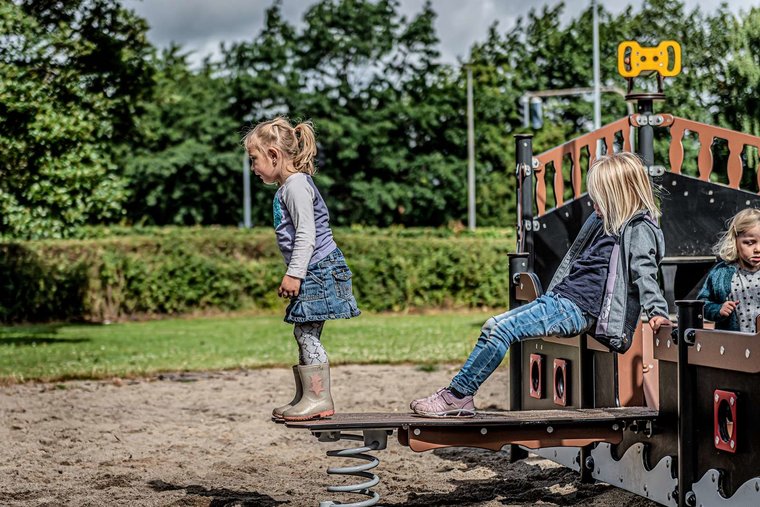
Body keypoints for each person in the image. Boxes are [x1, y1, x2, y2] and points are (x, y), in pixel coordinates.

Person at [410, 152, 671, 417]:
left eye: (599, 196)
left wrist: (657, 311)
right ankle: (458, 394)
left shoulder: (639, 229)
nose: (593, 202)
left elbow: (644, 273)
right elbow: (575, 260)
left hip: (576, 308)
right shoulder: (602, 223)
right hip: (561, 301)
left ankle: (457, 395)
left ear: (619, 195)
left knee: (500, 329)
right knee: (494, 327)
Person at [243, 117, 360, 421]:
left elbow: (307, 235)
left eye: (254, 159)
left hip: (318, 269)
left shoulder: (295, 186)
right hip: (317, 268)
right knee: (304, 332)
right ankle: (307, 396)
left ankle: (319, 398)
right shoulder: (290, 186)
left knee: (306, 333)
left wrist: (294, 273)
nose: (253, 167)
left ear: (273, 155)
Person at [697, 208, 760, 332]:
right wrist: (718, 309)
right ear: (735, 241)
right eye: (749, 243)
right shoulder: (721, 273)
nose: (757, 249)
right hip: (735, 345)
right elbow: (701, 304)